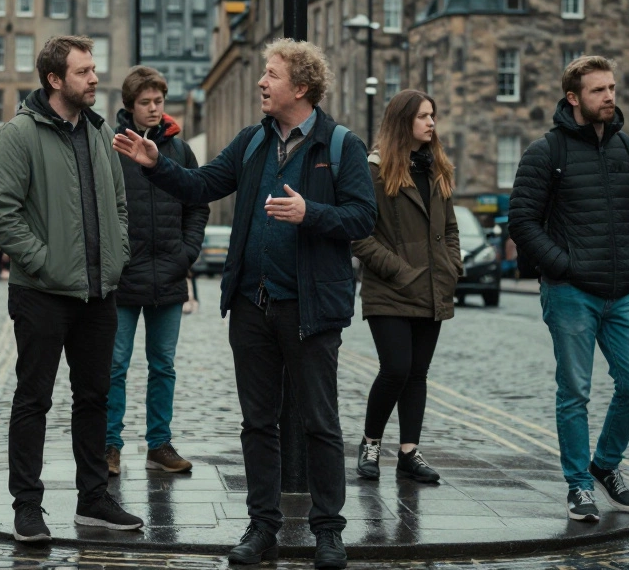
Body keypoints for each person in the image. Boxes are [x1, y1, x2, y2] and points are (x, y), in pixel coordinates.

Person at [113, 39, 376, 570]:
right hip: (252, 305)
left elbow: (363, 218)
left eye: (271, 75)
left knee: (320, 422)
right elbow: (202, 184)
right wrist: (154, 164)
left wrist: (312, 214)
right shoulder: (252, 141)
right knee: (257, 423)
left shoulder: (341, 145)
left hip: (311, 309)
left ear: (300, 88)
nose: (261, 82)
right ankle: (262, 527)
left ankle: (328, 530)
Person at [0, 36, 143, 543]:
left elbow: (119, 204)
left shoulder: (98, 132)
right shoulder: (19, 134)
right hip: (42, 293)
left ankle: (93, 501)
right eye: (83, 72)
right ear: (54, 80)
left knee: (94, 397)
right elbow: (0, 213)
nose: (95, 79)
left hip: (99, 292)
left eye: (95, 69)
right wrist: (44, 262)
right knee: (34, 399)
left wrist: (116, 257)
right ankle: (27, 506)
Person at [509, 55, 629, 524]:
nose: (610, 96)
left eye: (612, 88)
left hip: (622, 291)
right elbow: (523, 222)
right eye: (598, 90)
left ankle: (605, 465)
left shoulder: (627, 148)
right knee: (575, 391)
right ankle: (578, 486)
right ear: (573, 98)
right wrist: (562, 266)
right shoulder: (546, 151)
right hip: (571, 292)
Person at [350, 90, 461, 485]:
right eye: (423, 117)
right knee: (395, 368)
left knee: (418, 373)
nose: (431, 123)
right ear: (403, 123)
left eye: (433, 115)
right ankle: (370, 443)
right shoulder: (375, 170)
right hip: (390, 289)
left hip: (432, 287)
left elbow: (449, 228)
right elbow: (358, 234)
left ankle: (409, 453)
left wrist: (451, 267)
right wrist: (398, 270)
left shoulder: (438, 169)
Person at [106, 66, 209, 477]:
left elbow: (198, 202)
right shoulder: (112, 147)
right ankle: (109, 446)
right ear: (130, 106)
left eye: (159, 102)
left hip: (169, 273)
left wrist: (187, 253)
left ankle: (159, 445)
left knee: (163, 365)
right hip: (123, 277)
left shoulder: (180, 152)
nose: (153, 109)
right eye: (145, 103)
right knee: (114, 365)